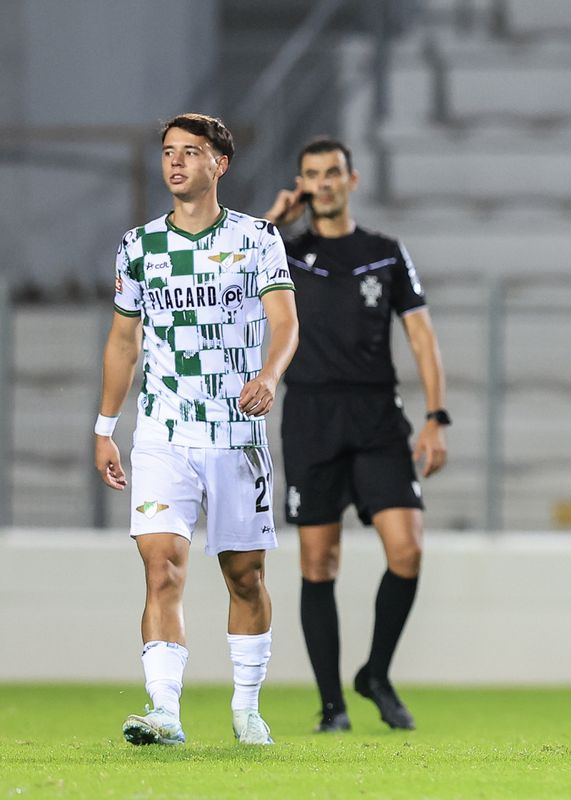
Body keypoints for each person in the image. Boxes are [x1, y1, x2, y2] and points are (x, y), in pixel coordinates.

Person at [95, 113, 299, 746]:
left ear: (220, 165)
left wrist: (269, 374)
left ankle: (246, 708)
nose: (175, 162)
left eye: (190, 152)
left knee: (245, 576)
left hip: (236, 434)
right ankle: (164, 712)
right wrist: (106, 425)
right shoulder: (138, 246)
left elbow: (286, 323)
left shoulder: (258, 238)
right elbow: (124, 341)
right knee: (162, 568)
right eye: (167, 152)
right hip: (163, 431)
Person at [264, 137, 448, 733]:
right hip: (311, 416)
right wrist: (271, 223)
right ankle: (332, 706)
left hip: (376, 417)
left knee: (408, 548)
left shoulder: (385, 253)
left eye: (333, 172)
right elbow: (229, 275)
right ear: (303, 184)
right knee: (318, 563)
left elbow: (421, 335)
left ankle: (376, 673)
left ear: (352, 179)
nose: (324, 182)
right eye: (312, 173)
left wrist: (436, 416)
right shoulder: (282, 254)